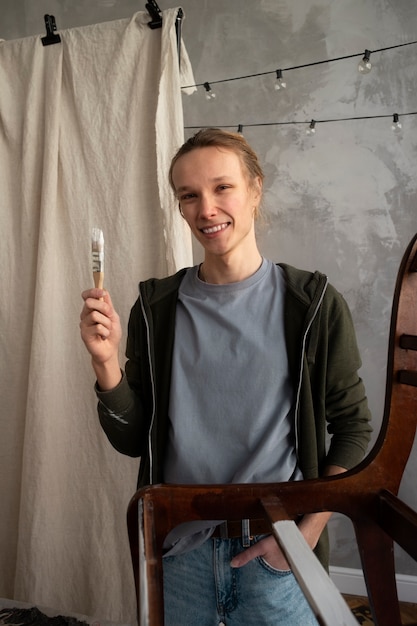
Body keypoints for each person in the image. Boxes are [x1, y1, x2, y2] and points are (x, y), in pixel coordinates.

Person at [80, 128, 372, 625]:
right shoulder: (157, 308)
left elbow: (353, 430)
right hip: (178, 553)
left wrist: (304, 535)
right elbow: (134, 441)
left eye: (222, 188)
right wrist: (105, 363)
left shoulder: (314, 304)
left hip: (278, 551)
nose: (206, 209)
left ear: (255, 189)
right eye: (188, 196)